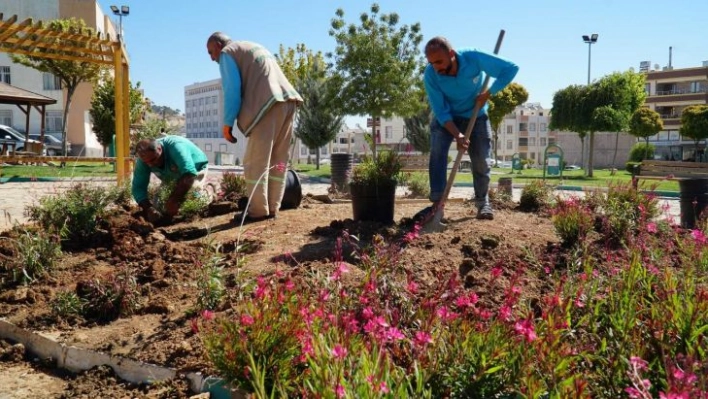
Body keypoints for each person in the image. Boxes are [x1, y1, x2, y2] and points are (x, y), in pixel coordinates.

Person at [206, 32, 303, 223]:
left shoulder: (228, 53)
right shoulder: (252, 46)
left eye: (211, 52)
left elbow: (232, 89)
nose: (212, 58)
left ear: (218, 45)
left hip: (268, 105)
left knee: (255, 162)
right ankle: (273, 207)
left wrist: (227, 123)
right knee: (279, 161)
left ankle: (258, 211)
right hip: (288, 101)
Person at [423, 36, 518, 220]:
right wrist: (458, 135)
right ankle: (437, 203)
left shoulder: (473, 58)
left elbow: (510, 68)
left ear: (451, 54)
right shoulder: (431, 75)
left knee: (481, 159)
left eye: (439, 61)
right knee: (437, 153)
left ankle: (483, 203)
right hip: (448, 119)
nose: (436, 67)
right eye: (432, 63)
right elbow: (441, 112)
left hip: (476, 114)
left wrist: (489, 93)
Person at [132, 136, 209, 223]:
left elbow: (189, 175)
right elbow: (138, 188)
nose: (150, 165)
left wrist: (174, 199)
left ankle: (208, 193)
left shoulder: (176, 146)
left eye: (153, 160)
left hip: (195, 169)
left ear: (159, 149)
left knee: (194, 195)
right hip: (172, 175)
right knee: (159, 205)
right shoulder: (143, 160)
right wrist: (148, 208)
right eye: (147, 163)